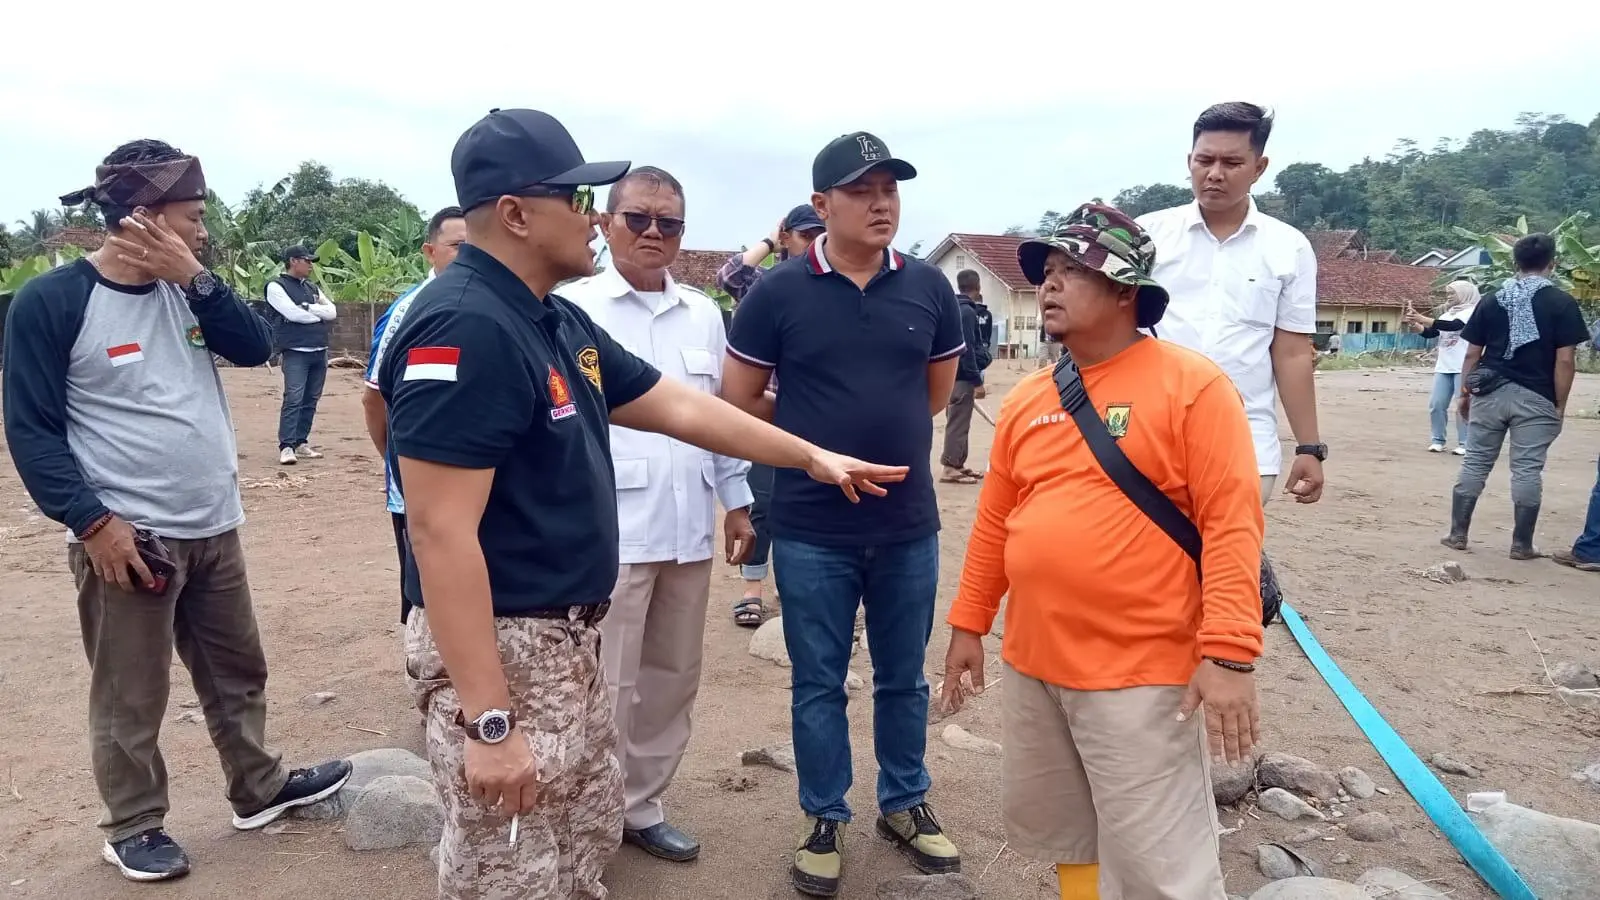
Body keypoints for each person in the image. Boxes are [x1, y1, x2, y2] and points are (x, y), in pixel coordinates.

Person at [376, 108, 909, 900]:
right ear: (517, 214)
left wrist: (810, 456)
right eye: (577, 200)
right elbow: (439, 531)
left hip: (566, 642)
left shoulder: (551, 318)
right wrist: (489, 723)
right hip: (509, 646)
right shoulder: (464, 325)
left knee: (580, 838)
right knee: (510, 867)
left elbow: (679, 406)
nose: (593, 218)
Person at [2, 139, 351, 883]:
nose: (202, 229)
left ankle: (257, 789)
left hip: (214, 521)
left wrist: (197, 279)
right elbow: (30, 428)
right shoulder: (55, 302)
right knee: (132, 688)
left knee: (236, 668)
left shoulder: (187, 290)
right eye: (190, 217)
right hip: (132, 536)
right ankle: (133, 824)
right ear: (140, 218)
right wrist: (91, 522)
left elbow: (256, 349)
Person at [941, 203, 1263, 900]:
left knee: (1158, 861)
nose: (1050, 285)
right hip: (1035, 660)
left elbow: (1232, 524)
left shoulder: (1192, 387)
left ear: (1125, 292)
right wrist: (969, 624)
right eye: (1047, 272)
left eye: (1072, 271)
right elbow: (996, 520)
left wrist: (1230, 654)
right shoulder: (1030, 398)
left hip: (1140, 670)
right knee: (1068, 832)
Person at [722, 130, 965, 897]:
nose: (881, 202)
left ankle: (905, 800)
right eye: (862, 191)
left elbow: (930, 396)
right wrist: (804, 427)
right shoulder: (778, 293)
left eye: (890, 188)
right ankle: (824, 814)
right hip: (811, 527)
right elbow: (738, 401)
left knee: (904, 678)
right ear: (823, 205)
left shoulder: (929, 287)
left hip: (905, 525)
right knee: (818, 681)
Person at [562, 165, 755, 862]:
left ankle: (641, 808)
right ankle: (589, 819)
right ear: (605, 223)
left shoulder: (702, 313)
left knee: (672, 677)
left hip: (688, 526)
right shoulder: (572, 307)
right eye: (637, 218)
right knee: (604, 682)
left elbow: (717, 417)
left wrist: (735, 500)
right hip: (610, 530)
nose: (652, 232)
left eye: (667, 223)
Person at [1137, 101, 1326, 619]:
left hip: (1246, 443)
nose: (1214, 174)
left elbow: (1291, 352)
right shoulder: (1148, 238)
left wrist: (1310, 446)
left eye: (1231, 163)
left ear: (1260, 167)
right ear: (1189, 159)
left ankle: (1203, 683)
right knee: (1148, 571)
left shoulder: (1289, 249)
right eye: (1204, 160)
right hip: (1149, 437)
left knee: (1215, 577)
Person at [1444, 233, 1591, 560]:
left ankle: (1457, 534)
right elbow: (1565, 360)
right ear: (1552, 264)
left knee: (1476, 461)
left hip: (1490, 393)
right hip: (1536, 398)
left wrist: (1465, 394)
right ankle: (1521, 544)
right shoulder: (1562, 303)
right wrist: (1559, 405)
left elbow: (1472, 355)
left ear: (1515, 263)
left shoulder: (1493, 300)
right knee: (1527, 469)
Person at [717, 204, 826, 627]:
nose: (814, 240)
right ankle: (752, 587)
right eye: (805, 234)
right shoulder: (768, 286)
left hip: (818, 418)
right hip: (769, 414)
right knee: (762, 500)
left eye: (821, 232)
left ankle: (799, 588)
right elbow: (728, 276)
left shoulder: (835, 287)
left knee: (814, 501)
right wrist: (770, 239)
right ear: (789, 238)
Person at [362, 206, 467, 622]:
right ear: (430, 251)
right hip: (418, 488)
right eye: (457, 246)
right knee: (427, 594)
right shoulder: (409, 311)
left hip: (473, 480)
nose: (468, 255)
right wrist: (399, 460)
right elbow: (374, 399)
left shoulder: (486, 303)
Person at [264, 245, 338, 465]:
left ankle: (301, 442)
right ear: (293, 261)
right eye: (307, 260)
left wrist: (308, 307)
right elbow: (292, 314)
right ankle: (286, 446)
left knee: (311, 399)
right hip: (296, 351)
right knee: (294, 398)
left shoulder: (311, 287)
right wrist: (317, 313)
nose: (310, 265)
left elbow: (332, 312)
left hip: (319, 349)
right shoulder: (276, 286)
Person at [1404, 279, 1479, 454]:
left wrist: (1422, 318)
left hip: (1463, 366)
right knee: (1436, 404)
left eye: (1452, 293)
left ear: (1464, 294)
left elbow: (1454, 326)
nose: (1449, 297)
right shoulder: (1447, 314)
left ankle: (1465, 443)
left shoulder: (1471, 312)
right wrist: (1416, 325)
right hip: (1444, 367)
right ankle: (1438, 440)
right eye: (1447, 293)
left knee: (1463, 405)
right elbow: (1431, 333)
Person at [941, 269, 991, 484]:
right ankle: (950, 467)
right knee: (958, 423)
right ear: (977, 286)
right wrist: (977, 381)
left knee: (959, 420)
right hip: (962, 377)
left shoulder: (951, 308)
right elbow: (967, 349)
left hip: (951, 376)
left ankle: (958, 463)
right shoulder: (967, 312)